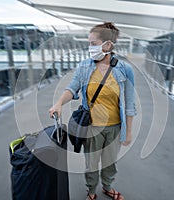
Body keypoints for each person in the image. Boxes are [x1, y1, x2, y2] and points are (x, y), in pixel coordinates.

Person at [49, 22, 136, 200]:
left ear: (108, 45)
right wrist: (59, 103)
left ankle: (108, 187)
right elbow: (72, 88)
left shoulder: (125, 69)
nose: (90, 48)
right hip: (92, 126)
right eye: (89, 43)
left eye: (93, 44)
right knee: (91, 164)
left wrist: (128, 132)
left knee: (110, 162)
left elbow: (130, 103)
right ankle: (91, 191)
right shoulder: (84, 67)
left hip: (115, 127)